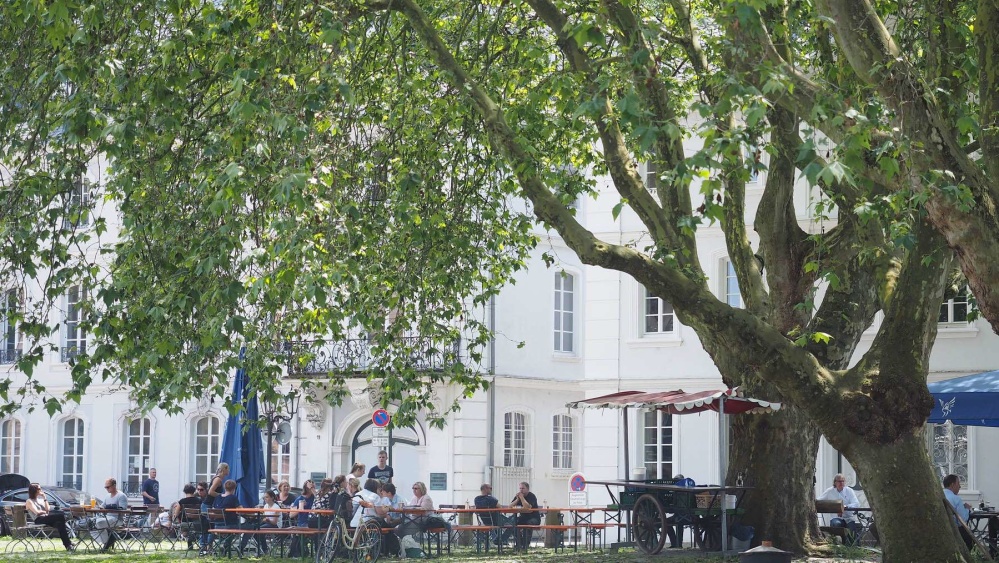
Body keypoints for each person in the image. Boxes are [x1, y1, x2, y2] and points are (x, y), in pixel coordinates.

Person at [24, 484, 74, 551]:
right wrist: (44, 512)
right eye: (39, 489)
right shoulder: (29, 501)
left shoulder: (39, 499)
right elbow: (37, 512)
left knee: (60, 524)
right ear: (34, 490)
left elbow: (48, 509)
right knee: (61, 516)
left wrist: (44, 498)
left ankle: (68, 545)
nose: (41, 490)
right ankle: (68, 543)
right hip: (38, 519)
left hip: (45, 518)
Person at [819, 473, 863, 545]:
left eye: (843, 481)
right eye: (839, 481)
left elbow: (856, 503)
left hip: (848, 517)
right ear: (835, 482)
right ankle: (838, 544)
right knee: (836, 524)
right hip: (836, 517)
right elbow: (819, 500)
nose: (841, 483)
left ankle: (854, 548)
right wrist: (834, 508)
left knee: (852, 530)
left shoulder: (849, 491)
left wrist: (845, 507)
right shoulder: (830, 491)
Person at [202, 479, 241, 556]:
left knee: (221, 530)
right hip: (229, 525)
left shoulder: (218, 497)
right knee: (243, 527)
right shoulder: (233, 498)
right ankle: (226, 546)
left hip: (217, 525)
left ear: (224, 488)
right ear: (234, 488)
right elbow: (240, 509)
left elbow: (213, 510)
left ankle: (209, 546)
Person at [239, 489, 280, 555]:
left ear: (272, 497)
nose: (265, 499)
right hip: (267, 523)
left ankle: (264, 549)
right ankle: (260, 549)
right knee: (253, 528)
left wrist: (268, 520)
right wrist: (264, 519)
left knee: (259, 530)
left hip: (275, 525)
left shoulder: (276, 507)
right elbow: (264, 517)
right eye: (264, 497)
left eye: (267, 497)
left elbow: (275, 523)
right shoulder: (266, 506)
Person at [94, 477, 129, 551]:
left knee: (99, 522)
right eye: (105, 487)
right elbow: (103, 507)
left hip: (117, 519)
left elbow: (123, 509)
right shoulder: (107, 496)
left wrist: (110, 507)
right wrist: (98, 506)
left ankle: (107, 543)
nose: (107, 489)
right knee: (91, 523)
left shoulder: (121, 496)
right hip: (108, 518)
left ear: (114, 485)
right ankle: (107, 541)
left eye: (108, 487)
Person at [502, 481, 539, 551]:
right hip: (523, 518)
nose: (521, 490)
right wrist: (517, 499)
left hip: (534, 518)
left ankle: (525, 545)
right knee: (512, 524)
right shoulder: (518, 496)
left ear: (527, 489)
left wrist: (522, 498)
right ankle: (519, 543)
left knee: (528, 524)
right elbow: (509, 507)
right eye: (520, 488)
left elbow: (528, 507)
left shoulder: (531, 496)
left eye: (523, 488)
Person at [945, 474, 976, 549]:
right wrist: (967, 509)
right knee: (971, 540)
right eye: (958, 483)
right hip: (955, 529)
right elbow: (962, 519)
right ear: (952, 485)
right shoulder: (955, 499)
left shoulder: (939, 495)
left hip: (943, 528)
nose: (960, 486)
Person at [289, 479, 315, 558]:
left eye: (313, 487)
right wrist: (300, 509)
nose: (312, 489)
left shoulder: (315, 498)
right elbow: (291, 515)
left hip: (313, 522)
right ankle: (300, 553)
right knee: (299, 533)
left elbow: (318, 496)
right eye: (310, 487)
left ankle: (304, 552)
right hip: (302, 523)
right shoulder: (299, 499)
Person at [174, 484, 203, 550]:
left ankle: (189, 539)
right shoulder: (199, 501)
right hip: (197, 524)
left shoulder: (181, 501)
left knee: (186, 527)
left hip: (185, 524)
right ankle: (192, 537)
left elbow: (176, 514)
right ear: (194, 491)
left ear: (184, 491)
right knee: (194, 529)